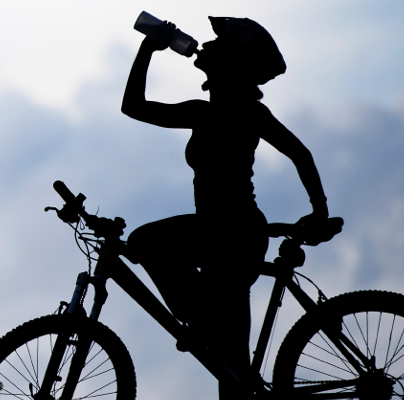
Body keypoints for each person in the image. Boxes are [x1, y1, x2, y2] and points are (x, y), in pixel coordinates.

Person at [119, 16, 329, 400]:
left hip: (232, 233)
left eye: (219, 45)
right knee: (232, 378)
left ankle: (202, 323)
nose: (206, 47)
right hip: (222, 235)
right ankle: (205, 324)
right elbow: (132, 107)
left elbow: (301, 153)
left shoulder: (244, 112)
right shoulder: (204, 111)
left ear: (233, 62)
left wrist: (320, 210)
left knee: (146, 241)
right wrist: (148, 47)